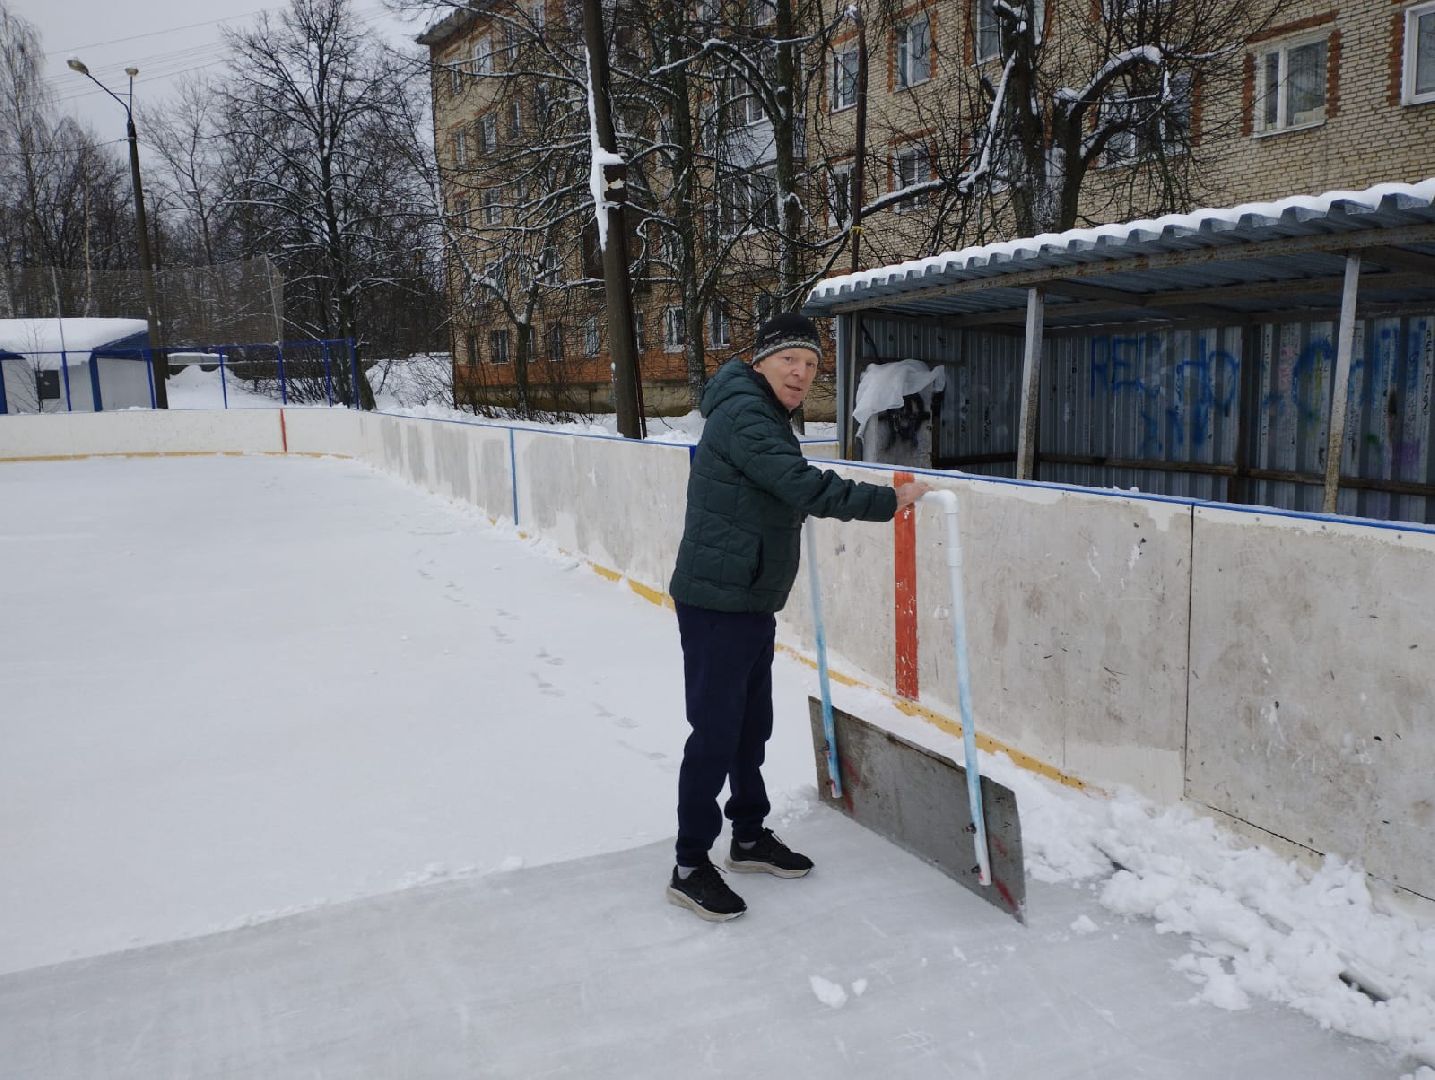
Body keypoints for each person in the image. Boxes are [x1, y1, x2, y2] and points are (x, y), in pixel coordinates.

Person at [665, 312, 930, 921]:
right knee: (714, 734)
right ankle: (688, 863)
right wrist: (891, 500)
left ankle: (749, 834)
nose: (802, 373)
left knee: (749, 727)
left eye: (811, 365)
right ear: (761, 360)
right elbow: (802, 485)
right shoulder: (744, 413)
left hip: (748, 597)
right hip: (717, 601)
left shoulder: (759, 411)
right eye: (790, 360)